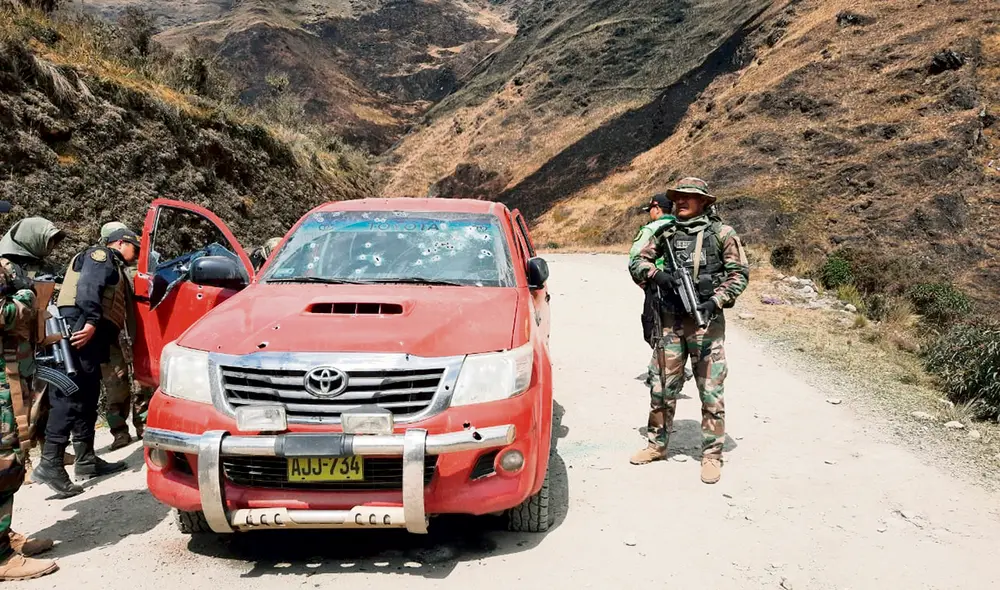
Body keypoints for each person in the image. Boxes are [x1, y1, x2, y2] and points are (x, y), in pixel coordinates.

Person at [627, 177, 750, 484]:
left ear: (704, 202)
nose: (681, 201)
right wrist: (658, 275)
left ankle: (711, 455)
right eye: (678, 197)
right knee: (662, 386)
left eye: (688, 197)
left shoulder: (723, 234)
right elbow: (636, 263)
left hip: (705, 327)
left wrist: (714, 301)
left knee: (711, 391)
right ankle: (657, 444)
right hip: (670, 324)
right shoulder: (665, 232)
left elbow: (739, 275)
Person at [30, 228, 139, 497]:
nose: (136, 254)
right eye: (134, 248)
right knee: (69, 395)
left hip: (90, 338)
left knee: (88, 395)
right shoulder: (100, 255)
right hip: (78, 331)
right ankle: (50, 463)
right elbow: (89, 287)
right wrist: (91, 321)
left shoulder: (113, 263)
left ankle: (86, 459)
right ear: (122, 243)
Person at [0, 202, 59, 580]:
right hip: (2, 381)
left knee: (12, 456)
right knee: (3, 461)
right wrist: (25, 302)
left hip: (13, 376)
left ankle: (4, 535)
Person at [0, 217, 73, 475]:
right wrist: (27, 298)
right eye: (48, 240)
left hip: (34, 345)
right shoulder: (7, 266)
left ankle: (49, 452)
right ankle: (25, 460)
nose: (51, 247)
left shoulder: (34, 265)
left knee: (43, 403)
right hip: (11, 353)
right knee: (20, 410)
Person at [97, 222, 148, 450]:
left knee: (142, 382)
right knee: (115, 385)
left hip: (136, 334)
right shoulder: (100, 267)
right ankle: (119, 432)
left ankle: (144, 425)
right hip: (112, 338)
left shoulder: (138, 271)